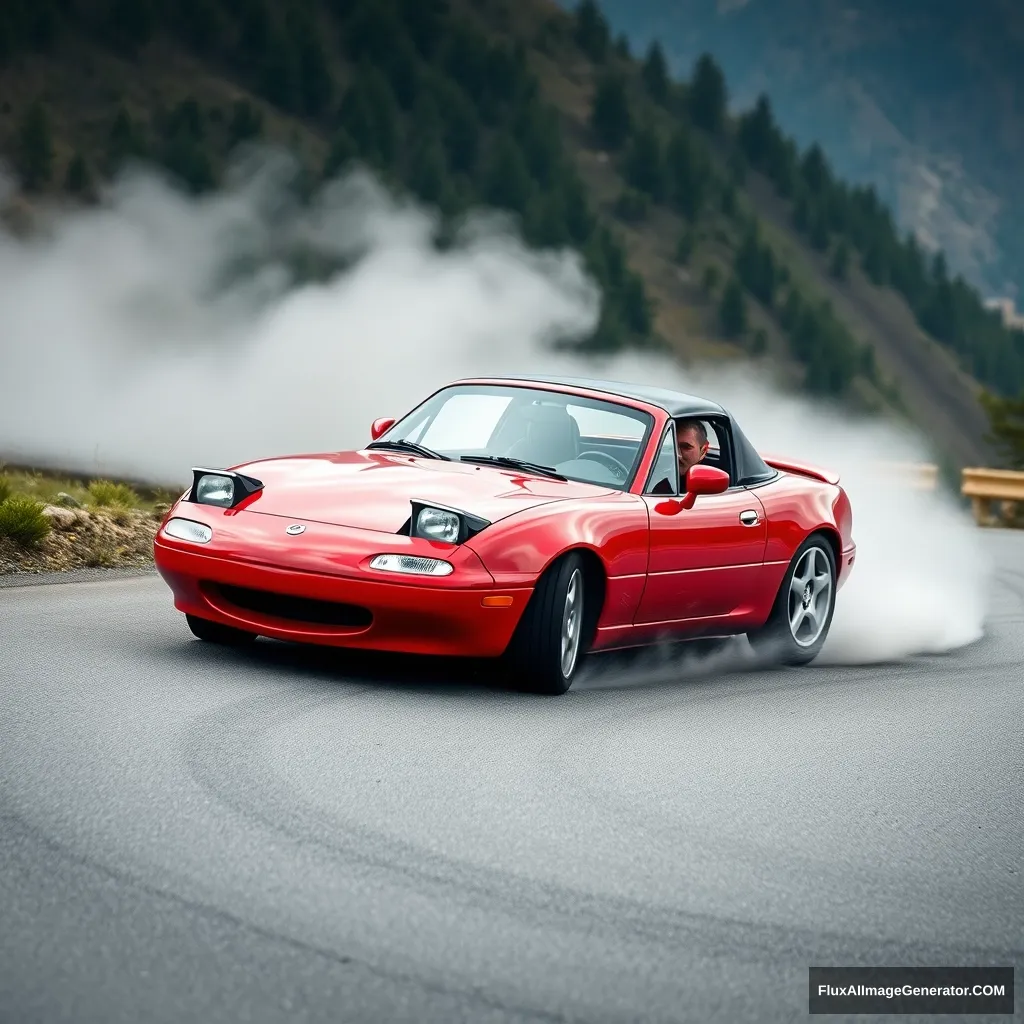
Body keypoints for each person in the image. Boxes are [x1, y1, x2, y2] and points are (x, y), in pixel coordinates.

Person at [676, 418, 710, 484]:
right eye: (672, 446)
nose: (678, 454)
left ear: (703, 451)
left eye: (685, 447)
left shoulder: (708, 486)